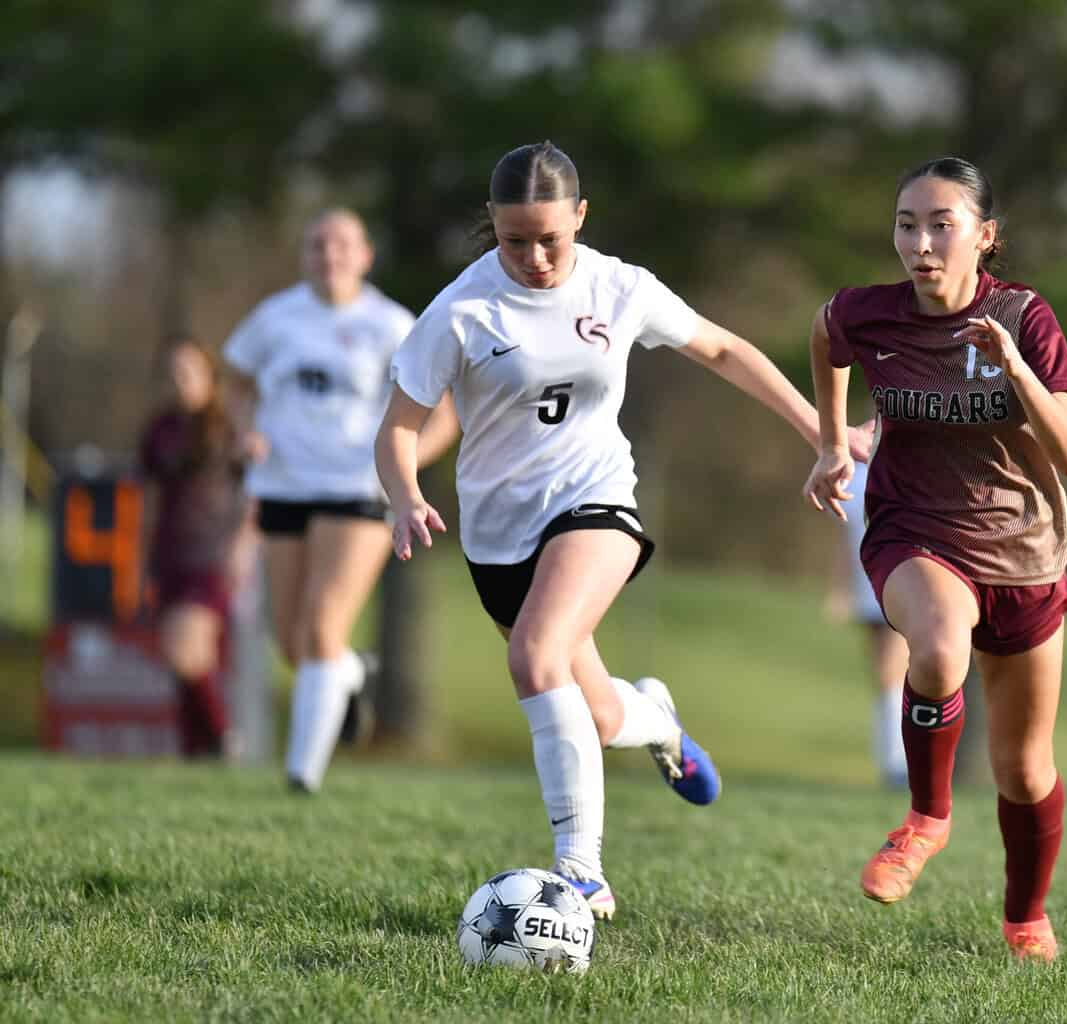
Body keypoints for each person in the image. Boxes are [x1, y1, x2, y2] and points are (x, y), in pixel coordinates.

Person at [376, 141, 872, 921]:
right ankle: (658, 720)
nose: (535, 256)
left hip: (595, 500)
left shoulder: (619, 286)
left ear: (580, 217)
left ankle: (580, 873)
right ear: (492, 227)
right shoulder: (462, 310)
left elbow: (722, 348)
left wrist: (824, 435)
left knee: (534, 655)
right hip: (499, 535)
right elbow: (398, 428)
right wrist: (404, 495)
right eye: (514, 240)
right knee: (597, 713)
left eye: (552, 238)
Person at [803, 156, 1067, 963]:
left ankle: (1025, 917)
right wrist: (834, 442)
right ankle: (926, 819)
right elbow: (825, 335)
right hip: (914, 531)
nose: (920, 243)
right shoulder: (874, 314)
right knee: (934, 645)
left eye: (941, 224)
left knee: (1026, 771)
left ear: (985, 236)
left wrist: (1016, 370)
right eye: (905, 224)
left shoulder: (1025, 317)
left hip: (1026, 552)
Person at [223, 209, 459, 793]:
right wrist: (244, 429)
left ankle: (302, 774)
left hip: (357, 489)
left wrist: (402, 468)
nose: (330, 256)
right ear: (304, 256)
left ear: (365, 256)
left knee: (325, 624)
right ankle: (351, 673)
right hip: (281, 484)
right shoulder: (276, 318)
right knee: (292, 640)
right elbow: (234, 381)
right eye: (318, 246)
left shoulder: (391, 324)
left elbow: (445, 413)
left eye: (342, 246)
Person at [138, 335, 251, 757]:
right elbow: (149, 498)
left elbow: (253, 492)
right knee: (183, 657)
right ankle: (195, 752)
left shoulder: (229, 430)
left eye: (187, 372)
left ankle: (223, 736)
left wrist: (244, 545)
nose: (179, 381)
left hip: (212, 556)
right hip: (170, 554)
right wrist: (141, 554)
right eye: (172, 374)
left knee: (186, 651)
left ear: (208, 375)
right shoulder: (159, 430)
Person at [835, 457, 910, 787]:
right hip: (866, 589)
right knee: (884, 678)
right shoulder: (853, 473)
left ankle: (901, 764)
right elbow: (844, 537)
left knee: (895, 672)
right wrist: (839, 589)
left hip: (902, 583)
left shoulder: (910, 463)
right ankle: (892, 762)